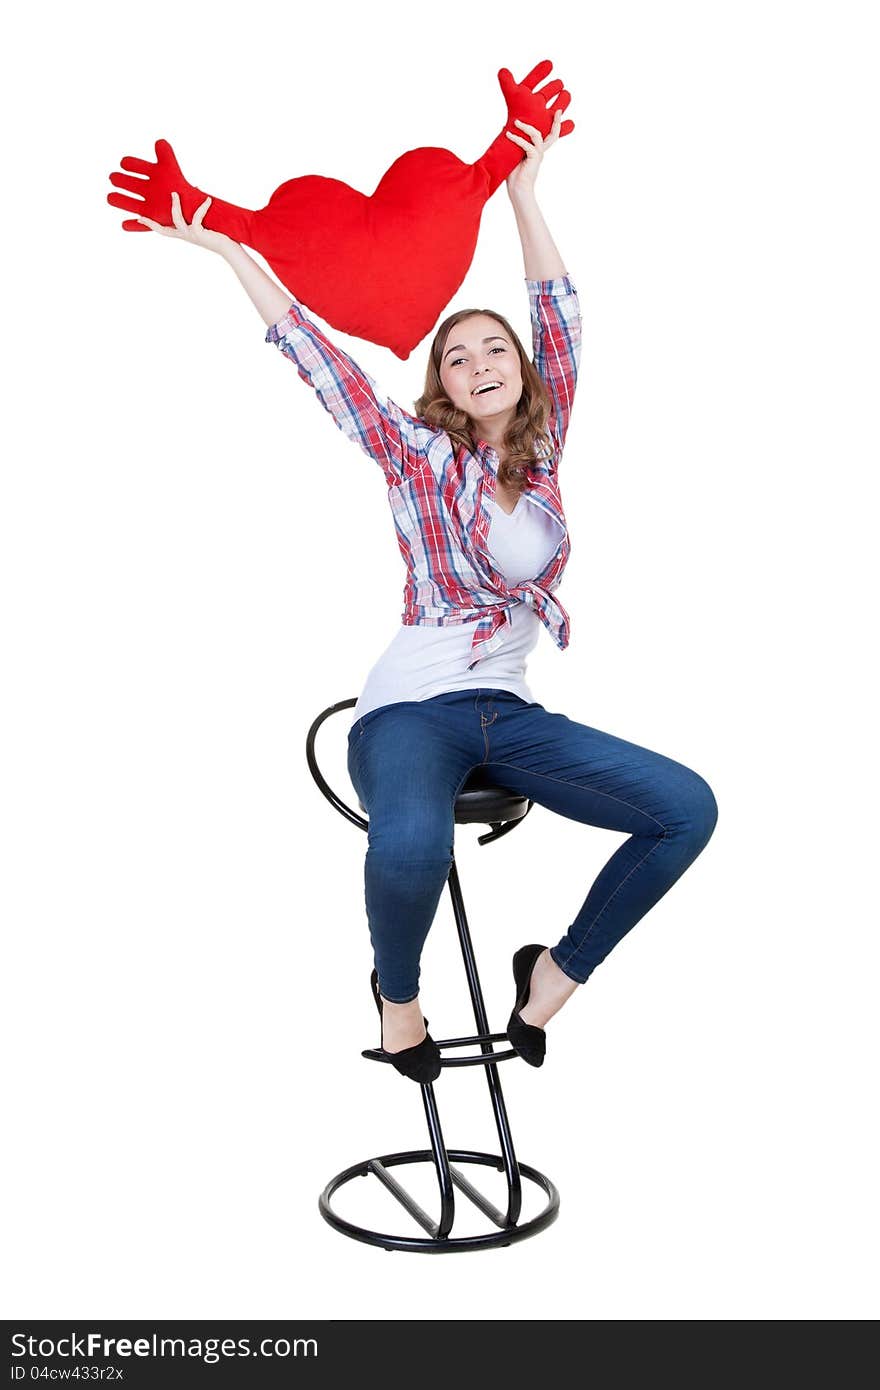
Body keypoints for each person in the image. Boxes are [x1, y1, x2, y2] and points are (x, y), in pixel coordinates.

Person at [133, 110, 718, 1084]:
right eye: (458, 355)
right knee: (411, 842)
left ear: (518, 372)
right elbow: (317, 357)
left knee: (684, 809)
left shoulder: (541, 457)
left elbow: (559, 315)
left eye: (495, 349)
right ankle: (397, 1003)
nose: (481, 362)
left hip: (512, 716)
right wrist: (231, 247)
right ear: (442, 383)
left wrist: (524, 191)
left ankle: (551, 981)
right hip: (411, 712)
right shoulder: (416, 456)